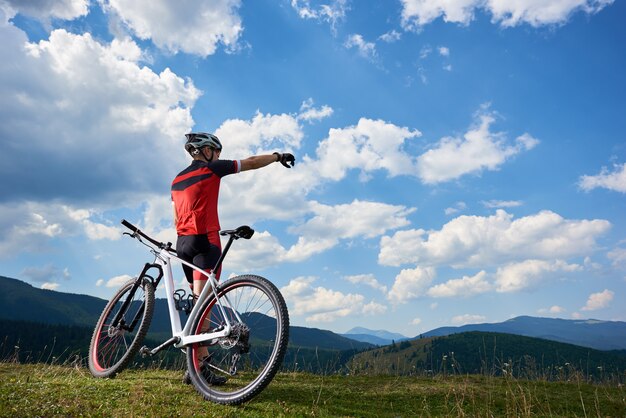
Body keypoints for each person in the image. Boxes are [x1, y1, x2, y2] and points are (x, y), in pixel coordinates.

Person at [171, 132, 295, 385]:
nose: (218, 155)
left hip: (182, 244)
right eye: (217, 151)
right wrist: (276, 156)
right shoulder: (214, 169)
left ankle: (195, 369)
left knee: (197, 309)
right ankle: (198, 370)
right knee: (202, 311)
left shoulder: (177, 179)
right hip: (205, 242)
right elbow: (249, 162)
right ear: (208, 151)